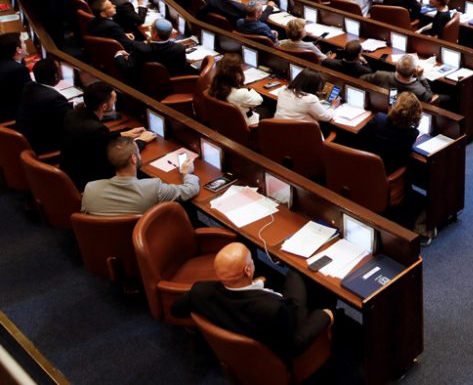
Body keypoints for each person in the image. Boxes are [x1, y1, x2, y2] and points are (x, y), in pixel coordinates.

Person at [171, 243, 334, 361]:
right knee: (297, 273)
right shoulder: (273, 310)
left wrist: (256, 284)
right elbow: (293, 346)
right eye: (251, 260)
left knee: (294, 274)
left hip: (250, 318)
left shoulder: (200, 291)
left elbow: (176, 310)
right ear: (247, 270)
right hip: (289, 318)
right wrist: (324, 316)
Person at [60, 82, 155, 190]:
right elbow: (117, 156)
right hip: (86, 180)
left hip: (69, 172)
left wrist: (122, 134)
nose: (115, 101)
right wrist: (142, 141)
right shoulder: (96, 129)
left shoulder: (72, 114)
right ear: (104, 106)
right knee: (138, 171)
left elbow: (94, 140)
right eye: (114, 99)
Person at [81, 138, 199, 215]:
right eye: (138, 153)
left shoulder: (90, 189)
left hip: (101, 246)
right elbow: (190, 190)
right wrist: (186, 173)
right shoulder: (153, 188)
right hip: (143, 246)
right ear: (133, 158)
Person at [15, 58, 70, 154]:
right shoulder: (53, 98)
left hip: (32, 142)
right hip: (49, 149)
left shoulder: (29, 87)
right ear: (56, 76)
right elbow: (71, 122)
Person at [361, 92, 422, 175]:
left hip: (365, 164)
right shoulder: (412, 133)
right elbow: (403, 157)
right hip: (388, 172)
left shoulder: (379, 119)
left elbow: (360, 136)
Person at [209, 54, 263, 125]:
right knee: (266, 110)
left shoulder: (214, 86)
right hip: (247, 126)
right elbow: (259, 100)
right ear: (237, 75)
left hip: (226, 125)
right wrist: (249, 89)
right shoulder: (240, 93)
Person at [362, 55, 434, 103]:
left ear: (396, 67)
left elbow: (361, 79)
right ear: (415, 71)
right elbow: (429, 97)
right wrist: (421, 76)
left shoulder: (380, 75)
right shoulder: (419, 90)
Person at [0, 33, 31, 122]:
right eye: (23, 43)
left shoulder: (6, 64)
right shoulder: (18, 70)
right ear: (18, 50)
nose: (25, 45)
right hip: (13, 120)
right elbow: (29, 98)